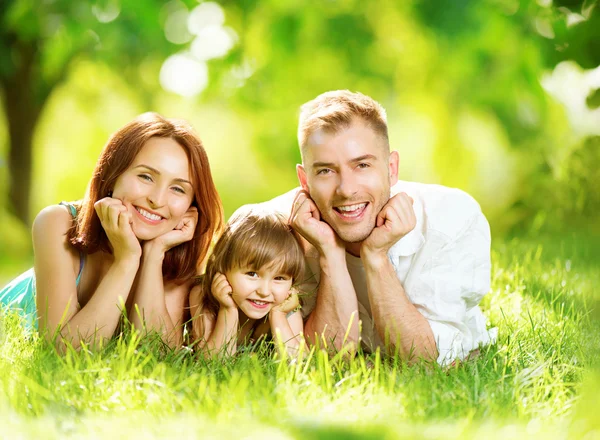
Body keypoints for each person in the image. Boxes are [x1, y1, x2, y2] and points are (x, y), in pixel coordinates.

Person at [240, 90, 497, 366]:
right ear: (304, 179)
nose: (347, 190)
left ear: (391, 168)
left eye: (362, 165)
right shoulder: (270, 231)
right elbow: (327, 360)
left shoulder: (450, 220)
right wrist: (330, 253)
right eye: (326, 171)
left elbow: (423, 360)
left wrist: (375, 256)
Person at [0, 112, 223, 350]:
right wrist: (126, 259)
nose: (157, 200)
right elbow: (65, 352)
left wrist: (153, 255)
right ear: (113, 174)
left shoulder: (175, 247)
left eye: (178, 189)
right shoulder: (57, 222)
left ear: (191, 205)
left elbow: (157, 353)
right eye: (146, 176)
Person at [188, 208, 306, 358]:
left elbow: (299, 366)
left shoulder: (285, 306)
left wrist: (278, 316)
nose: (264, 291)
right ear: (222, 268)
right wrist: (227, 310)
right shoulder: (203, 294)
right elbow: (212, 362)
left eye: (279, 278)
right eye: (252, 274)